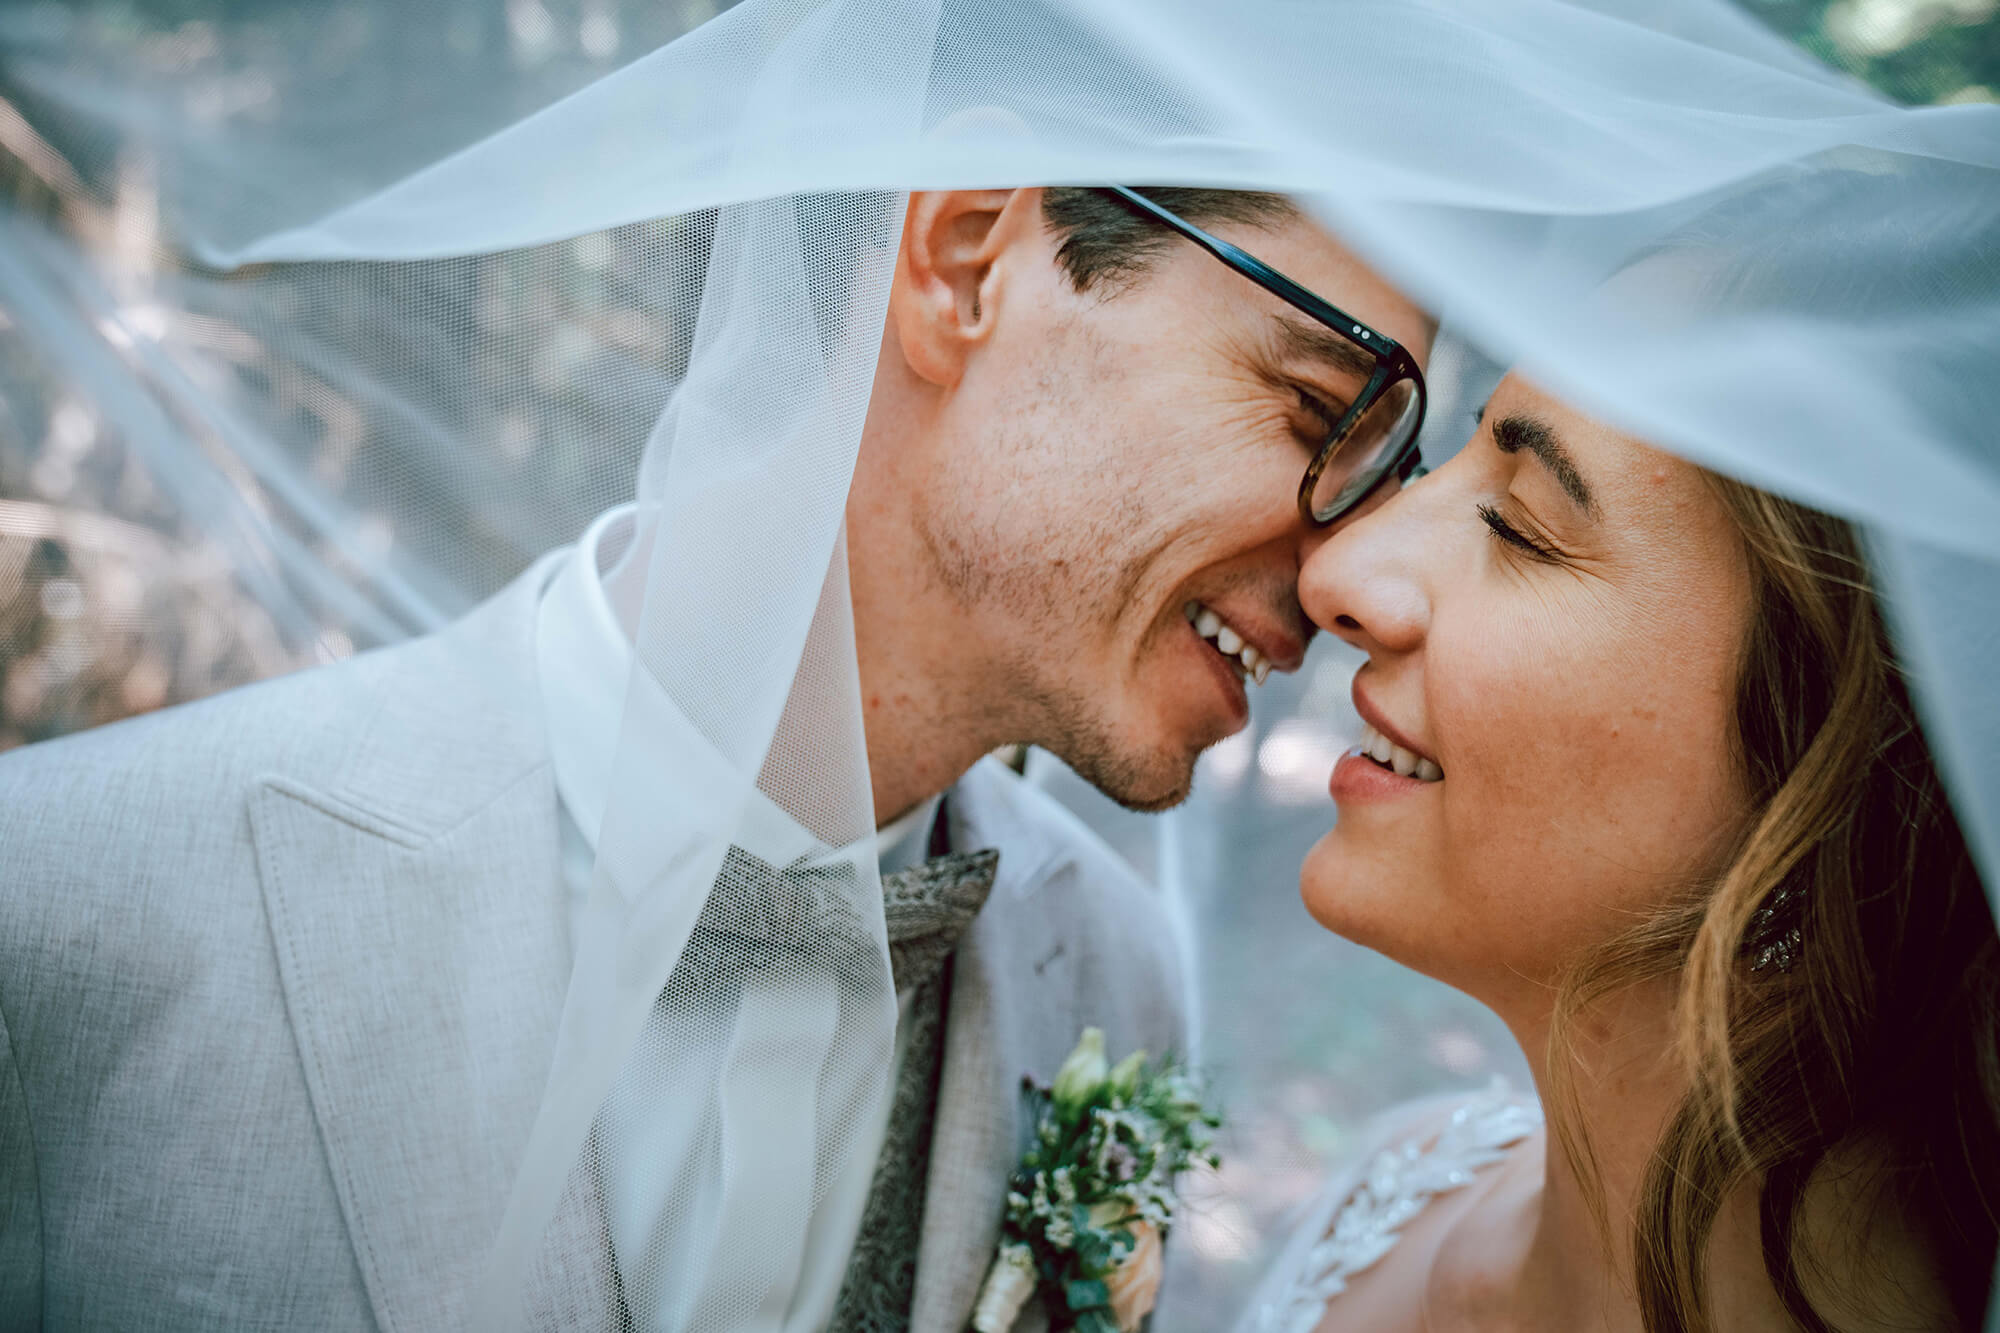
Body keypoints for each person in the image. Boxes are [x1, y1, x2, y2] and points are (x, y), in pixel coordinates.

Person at [0, 186, 1430, 1331]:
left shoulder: (1115, 979)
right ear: (970, 256)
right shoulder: (66, 905)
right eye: (1317, 414)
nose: (1347, 568)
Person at [1245, 367, 2000, 1332]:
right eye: (1459, 457)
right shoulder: (1407, 1187)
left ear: (1830, 781)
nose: (1335, 570)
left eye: (1520, 524)